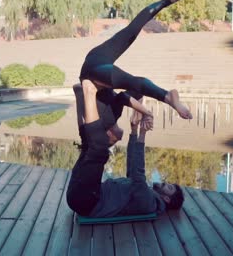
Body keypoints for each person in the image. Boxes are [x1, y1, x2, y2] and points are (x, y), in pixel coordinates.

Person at [66, 80, 184, 217]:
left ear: (167, 199)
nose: (165, 183)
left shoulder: (150, 203)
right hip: (83, 194)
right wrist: (134, 131)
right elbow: (132, 167)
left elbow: (137, 175)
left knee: (99, 148)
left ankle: (89, 93)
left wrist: (143, 135)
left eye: (168, 187)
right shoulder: (144, 194)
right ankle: (81, 94)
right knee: (88, 144)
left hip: (88, 202)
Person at [79, 0, 194, 120]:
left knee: (131, 81)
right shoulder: (112, 114)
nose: (119, 136)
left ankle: (167, 96)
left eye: (115, 138)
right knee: (131, 31)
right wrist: (146, 112)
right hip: (96, 58)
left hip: (92, 72)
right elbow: (124, 97)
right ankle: (168, 0)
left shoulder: (103, 126)